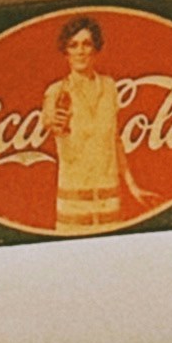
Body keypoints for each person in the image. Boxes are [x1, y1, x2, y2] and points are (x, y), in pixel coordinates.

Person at [44, 18, 126, 235]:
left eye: (86, 44)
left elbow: (115, 140)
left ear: (95, 48)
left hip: (110, 204)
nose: (80, 51)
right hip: (74, 205)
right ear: (65, 51)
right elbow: (50, 122)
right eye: (73, 45)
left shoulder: (110, 87)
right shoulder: (56, 92)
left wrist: (133, 186)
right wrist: (55, 125)